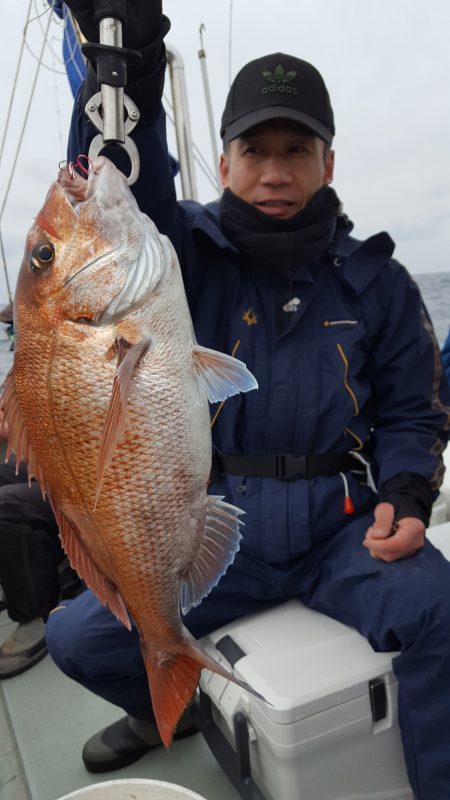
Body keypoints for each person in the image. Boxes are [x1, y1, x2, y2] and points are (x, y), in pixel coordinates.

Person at [45, 2, 450, 796]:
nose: (274, 171)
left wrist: (405, 491)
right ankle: (169, 704)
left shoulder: (381, 284)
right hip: (212, 519)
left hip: (343, 525)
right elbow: (119, 182)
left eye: (296, 150)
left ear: (327, 165)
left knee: (440, 612)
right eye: (254, 150)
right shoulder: (174, 254)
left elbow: (412, 409)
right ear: (224, 163)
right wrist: (128, 70)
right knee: (76, 639)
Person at [0, 308, 83, 679]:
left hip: (80, 492)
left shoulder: (75, 361)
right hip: (52, 470)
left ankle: (35, 612)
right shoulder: (32, 362)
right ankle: (17, 578)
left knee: (6, 508)